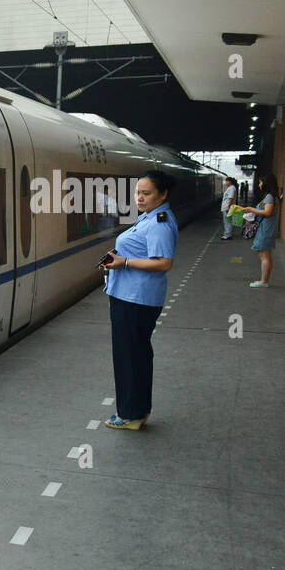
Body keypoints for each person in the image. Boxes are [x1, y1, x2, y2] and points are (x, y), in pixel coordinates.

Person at [100, 170, 178, 429]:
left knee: (128, 356)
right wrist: (119, 255)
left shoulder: (159, 222)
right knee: (137, 355)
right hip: (132, 296)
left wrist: (125, 262)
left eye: (146, 193)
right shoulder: (150, 217)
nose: (140, 198)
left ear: (163, 194)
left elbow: (164, 263)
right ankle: (138, 410)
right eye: (138, 193)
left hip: (135, 299)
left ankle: (130, 415)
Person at [241, 171, 278, 287]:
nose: (259, 184)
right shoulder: (271, 196)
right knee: (264, 255)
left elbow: (267, 212)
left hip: (266, 229)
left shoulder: (270, 197)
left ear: (266, 183)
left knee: (264, 255)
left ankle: (264, 281)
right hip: (266, 228)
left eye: (261, 182)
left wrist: (251, 210)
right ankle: (264, 280)